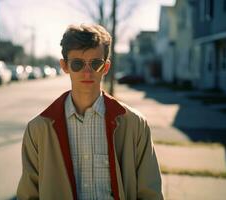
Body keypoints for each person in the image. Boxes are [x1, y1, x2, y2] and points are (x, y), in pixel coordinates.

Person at [17, 24, 163, 200]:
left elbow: (150, 194)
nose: (87, 72)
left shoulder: (135, 124)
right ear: (65, 66)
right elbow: (29, 195)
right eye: (77, 64)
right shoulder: (38, 129)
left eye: (96, 64)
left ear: (106, 67)